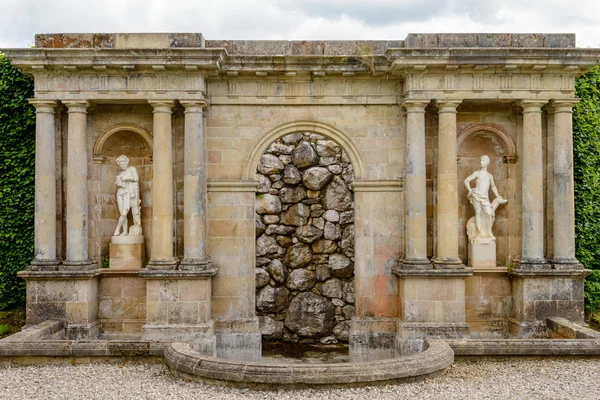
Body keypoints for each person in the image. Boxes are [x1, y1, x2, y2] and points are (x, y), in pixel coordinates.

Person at [464, 155, 507, 243]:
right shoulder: (477, 173)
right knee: (478, 212)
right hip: (477, 195)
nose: (481, 162)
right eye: (481, 161)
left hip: (485, 198)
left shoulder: (489, 176)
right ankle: (479, 233)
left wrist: (497, 195)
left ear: (487, 162)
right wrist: (470, 191)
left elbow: (493, 186)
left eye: (483, 161)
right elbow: (466, 180)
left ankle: (489, 231)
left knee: (490, 214)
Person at [113, 154, 142, 236]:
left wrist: (126, 178)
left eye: (123, 163)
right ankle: (125, 231)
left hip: (128, 193)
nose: (122, 165)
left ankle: (117, 229)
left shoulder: (132, 169)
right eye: (120, 164)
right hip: (120, 192)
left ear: (127, 162)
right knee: (122, 213)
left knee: (124, 213)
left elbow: (136, 178)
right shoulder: (121, 172)